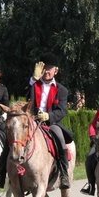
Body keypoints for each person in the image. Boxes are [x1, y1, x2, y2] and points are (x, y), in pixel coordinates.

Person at [27, 53, 72, 189]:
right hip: (33, 121)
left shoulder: (62, 90)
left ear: (55, 71)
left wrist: (49, 116)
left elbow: (62, 110)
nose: (47, 71)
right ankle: (3, 172)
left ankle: (64, 174)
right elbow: (24, 96)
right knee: (14, 137)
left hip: (51, 123)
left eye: (50, 68)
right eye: (44, 68)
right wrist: (32, 80)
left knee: (59, 138)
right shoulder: (34, 85)